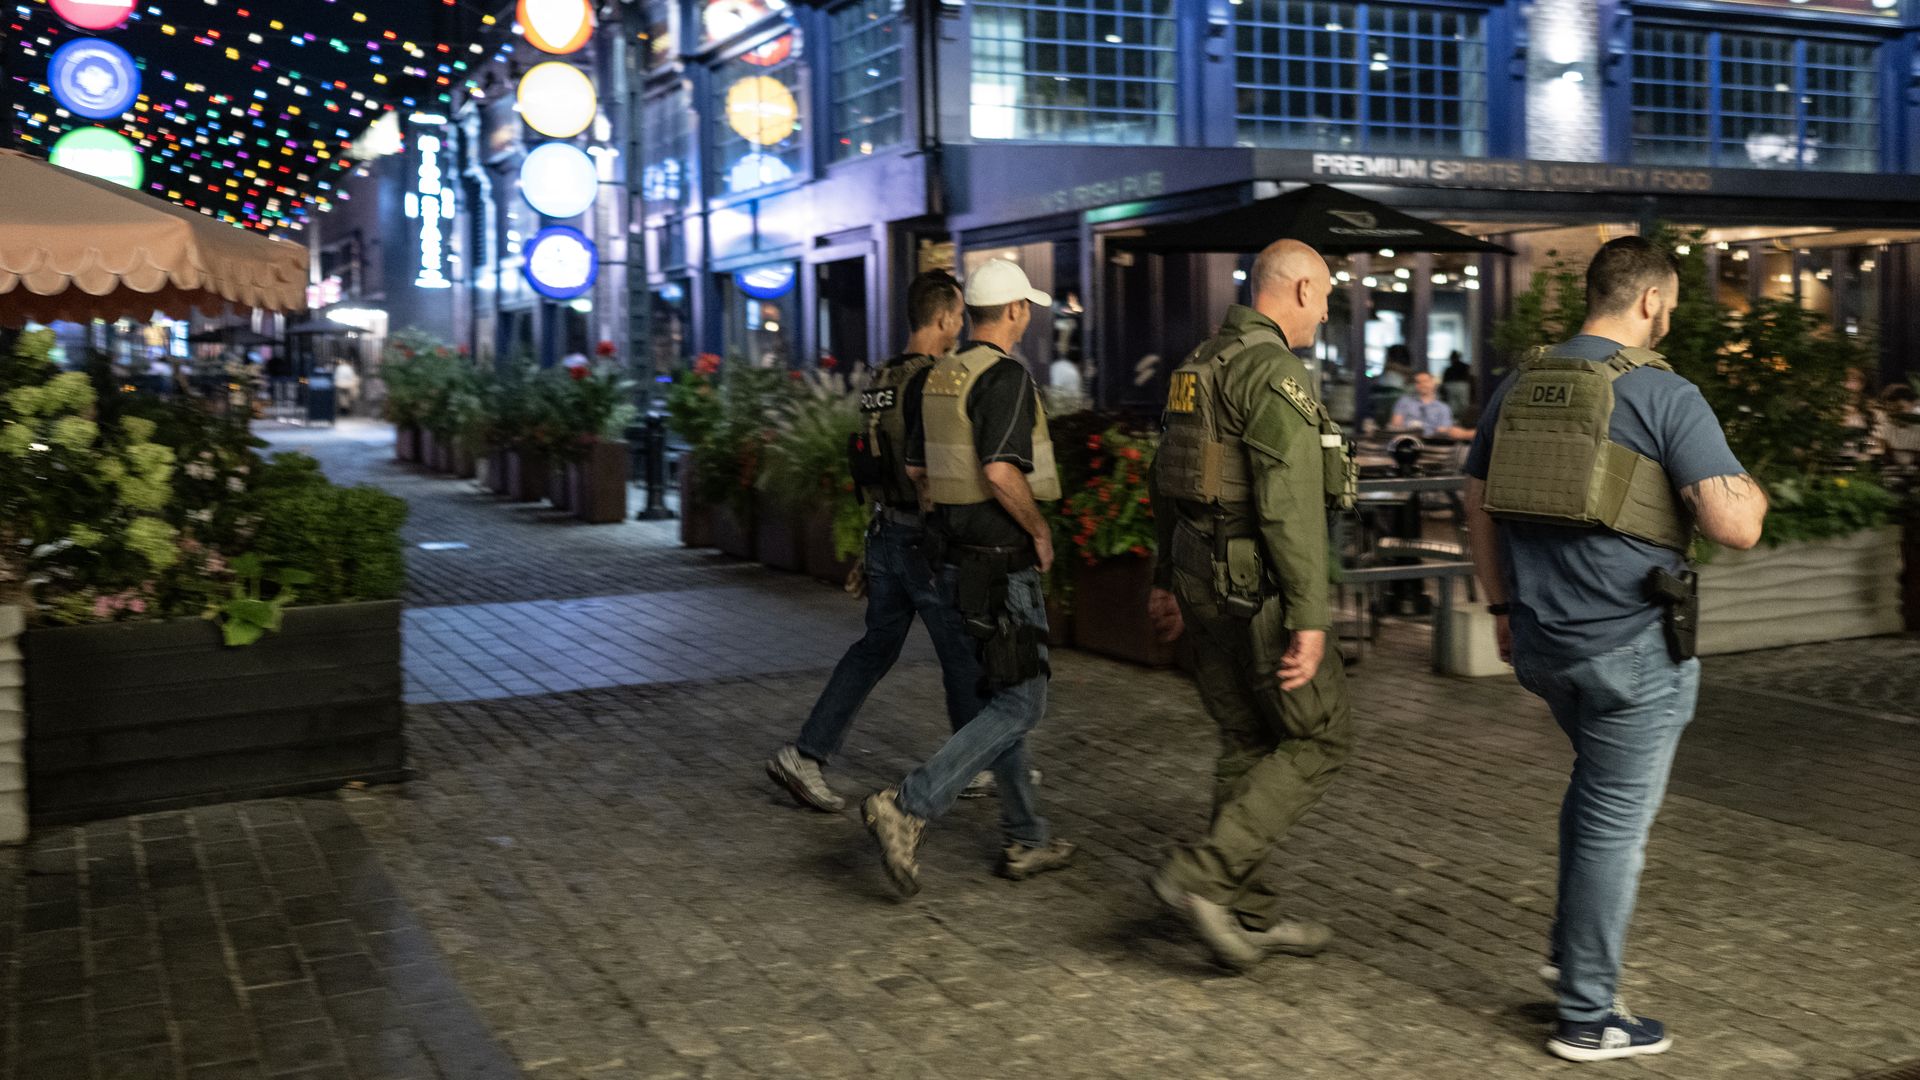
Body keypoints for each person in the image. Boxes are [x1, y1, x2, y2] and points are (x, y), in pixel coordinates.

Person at [1465, 236, 1768, 1063]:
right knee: (1612, 826)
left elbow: (1478, 501)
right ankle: (1588, 1013)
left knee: (1592, 798)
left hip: (1542, 642)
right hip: (1631, 652)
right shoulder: (1663, 394)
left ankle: (1571, 957)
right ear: (1649, 302)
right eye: (1667, 305)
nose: (1666, 318)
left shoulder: (1522, 382)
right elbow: (1736, 525)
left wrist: (1500, 605)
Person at [1143, 239, 1354, 971]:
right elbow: (1290, 506)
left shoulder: (1196, 366)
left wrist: (1165, 579)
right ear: (1296, 290)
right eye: (1324, 294)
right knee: (1320, 737)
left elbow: (1167, 478)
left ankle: (1246, 911)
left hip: (1201, 582)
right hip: (1257, 589)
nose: (1326, 310)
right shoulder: (1272, 371)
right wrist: (1312, 619)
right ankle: (1201, 877)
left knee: (1245, 740)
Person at [861, 258, 1076, 894]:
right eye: (1026, 307)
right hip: (1002, 567)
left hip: (951, 562)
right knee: (1022, 700)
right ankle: (907, 806)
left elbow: (921, 474)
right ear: (1013, 312)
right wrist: (1039, 532)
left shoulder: (938, 378)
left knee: (997, 699)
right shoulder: (1004, 376)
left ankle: (1027, 838)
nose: (1028, 316)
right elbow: (1001, 471)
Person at [765, 271, 988, 813]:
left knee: (875, 648)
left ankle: (806, 753)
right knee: (960, 651)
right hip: (918, 538)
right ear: (942, 317)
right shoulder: (935, 379)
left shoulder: (879, 377)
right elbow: (924, 468)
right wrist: (949, 538)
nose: (960, 324)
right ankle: (973, 762)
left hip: (884, 533)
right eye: (958, 315)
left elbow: (869, 462)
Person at [1388, 371, 1474, 440]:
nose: (1422, 385)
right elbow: (1396, 425)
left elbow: (1444, 430)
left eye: (1425, 381)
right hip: (1406, 440)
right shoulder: (1404, 402)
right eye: (1418, 382)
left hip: (1432, 443)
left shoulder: (1443, 408)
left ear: (1433, 383)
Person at [1441, 349, 1473, 415]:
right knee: (1461, 403)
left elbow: (1444, 380)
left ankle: (1459, 418)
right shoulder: (1464, 366)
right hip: (1459, 385)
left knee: (1456, 404)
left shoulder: (1450, 368)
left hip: (1457, 385)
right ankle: (1460, 418)